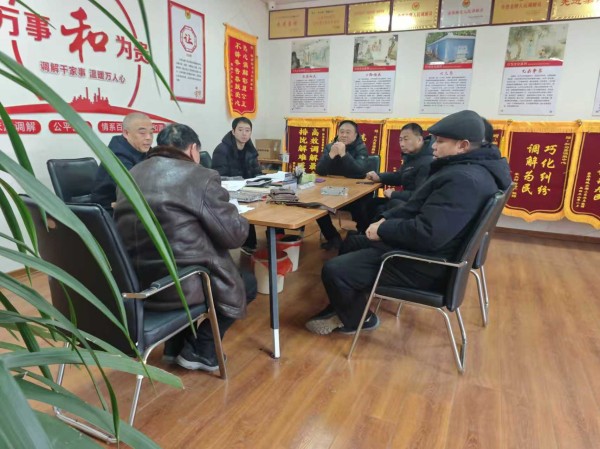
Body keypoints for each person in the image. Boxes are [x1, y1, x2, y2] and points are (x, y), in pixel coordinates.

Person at [305, 110, 512, 335]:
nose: (433, 147)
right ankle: (346, 303)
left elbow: (427, 233)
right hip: (432, 251)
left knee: (334, 269)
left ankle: (358, 320)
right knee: (353, 242)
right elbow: (418, 206)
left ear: (463, 146)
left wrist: (384, 228)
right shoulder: (473, 169)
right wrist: (387, 219)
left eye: (440, 142)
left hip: (427, 264)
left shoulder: (463, 180)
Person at [114, 123, 256, 371]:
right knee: (248, 283)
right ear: (193, 149)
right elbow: (234, 237)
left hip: (134, 281)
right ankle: (202, 349)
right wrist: (238, 216)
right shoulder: (200, 176)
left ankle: (175, 346)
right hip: (180, 285)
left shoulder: (131, 173)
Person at [315, 120, 369, 250]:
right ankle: (333, 238)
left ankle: (362, 235)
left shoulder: (360, 148)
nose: (344, 135)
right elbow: (320, 171)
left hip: (354, 192)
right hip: (331, 191)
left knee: (362, 204)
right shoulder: (330, 147)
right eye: (341, 132)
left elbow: (360, 172)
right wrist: (331, 155)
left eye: (348, 132)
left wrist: (344, 154)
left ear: (355, 135)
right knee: (316, 205)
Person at [212, 117, 263, 255]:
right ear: (233, 131)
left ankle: (277, 238)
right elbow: (219, 177)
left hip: (247, 189)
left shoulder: (250, 149)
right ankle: (248, 243)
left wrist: (263, 180)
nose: (244, 134)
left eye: (247, 130)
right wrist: (242, 182)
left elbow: (257, 172)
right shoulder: (222, 150)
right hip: (229, 190)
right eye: (240, 130)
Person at [91, 112, 153, 213]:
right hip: (109, 211)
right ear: (126, 133)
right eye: (142, 133)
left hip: (129, 206)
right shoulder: (117, 156)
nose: (148, 137)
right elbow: (136, 189)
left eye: (151, 133)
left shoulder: (144, 151)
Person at [366, 123, 434, 213]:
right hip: (407, 200)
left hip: (418, 207)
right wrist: (379, 177)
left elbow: (419, 195)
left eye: (406, 139)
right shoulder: (412, 156)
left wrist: (393, 194)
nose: (402, 144)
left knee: (380, 207)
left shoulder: (427, 162)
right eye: (400, 140)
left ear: (419, 139)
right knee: (369, 203)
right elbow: (400, 176)